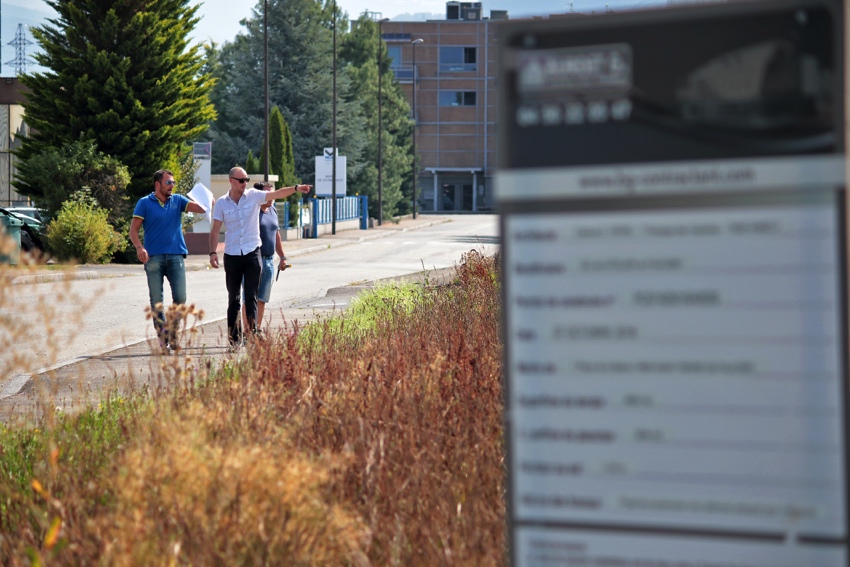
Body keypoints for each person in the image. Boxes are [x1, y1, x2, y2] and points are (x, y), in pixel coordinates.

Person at [208, 167, 311, 349]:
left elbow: (277, 194)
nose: (245, 183)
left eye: (246, 180)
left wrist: (296, 188)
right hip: (232, 255)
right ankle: (234, 339)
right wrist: (213, 252)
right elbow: (215, 230)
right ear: (231, 181)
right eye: (241, 180)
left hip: (252, 253)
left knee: (252, 296)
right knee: (234, 299)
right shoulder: (223, 203)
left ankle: (252, 333)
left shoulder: (254, 196)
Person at [129, 169, 210, 351]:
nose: (172, 186)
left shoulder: (178, 200)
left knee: (180, 299)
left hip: (175, 256)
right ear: (157, 184)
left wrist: (207, 201)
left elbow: (200, 209)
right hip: (153, 258)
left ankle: (172, 330)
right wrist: (139, 247)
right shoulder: (144, 203)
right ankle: (163, 336)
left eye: (173, 183)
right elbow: (133, 230)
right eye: (168, 183)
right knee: (156, 301)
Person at [241, 181, 290, 333]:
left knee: (262, 298)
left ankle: (256, 329)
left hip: (269, 261)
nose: (271, 197)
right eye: (267, 193)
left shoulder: (273, 211)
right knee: (249, 298)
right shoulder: (253, 212)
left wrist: (282, 256)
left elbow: (276, 235)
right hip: (253, 260)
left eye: (272, 193)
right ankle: (247, 331)